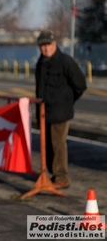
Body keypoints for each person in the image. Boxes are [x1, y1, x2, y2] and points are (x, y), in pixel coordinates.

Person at [35, 29, 87, 189]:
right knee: (47, 145)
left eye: (48, 45)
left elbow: (80, 85)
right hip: (44, 112)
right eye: (42, 46)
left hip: (60, 112)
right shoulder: (41, 63)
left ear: (55, 44)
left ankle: (62, 177)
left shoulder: (65, 61)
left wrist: (66, 101)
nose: (46, 48)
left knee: (58, 145)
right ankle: (53, 175)